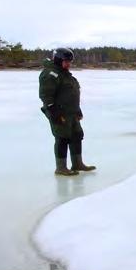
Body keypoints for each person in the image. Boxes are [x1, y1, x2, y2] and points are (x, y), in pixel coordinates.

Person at [39, 48, 97, 176]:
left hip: (71, 113)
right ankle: (61, 168)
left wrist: (77, 110)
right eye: (66, 61)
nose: (68, 64)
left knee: (76, 136)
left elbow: (70, 93)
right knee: (62, 138)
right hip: (59, 112)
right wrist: (54, 113)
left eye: (69, 61)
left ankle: (77, 163)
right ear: (58, 60)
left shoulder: (64, 73)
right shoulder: (50, 74)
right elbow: (46, 96)